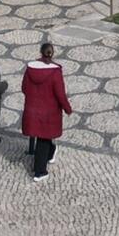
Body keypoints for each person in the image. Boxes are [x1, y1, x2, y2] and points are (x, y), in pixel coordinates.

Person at [20, 41, 72, 183]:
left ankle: (50, 154)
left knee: (43, 137)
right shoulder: (55, 72)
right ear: (52, 53)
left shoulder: (30, 69)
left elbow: (24, 88)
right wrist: (68, 108)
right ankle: (39, 171)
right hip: (49, 112)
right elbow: (60, 94)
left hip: (33, 110)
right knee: (44, 138)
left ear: (40, 52)